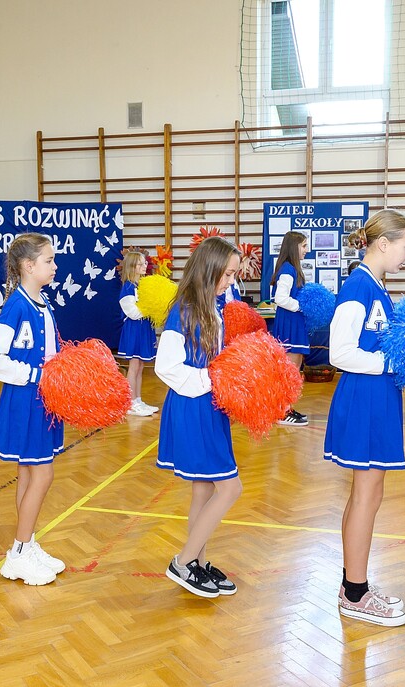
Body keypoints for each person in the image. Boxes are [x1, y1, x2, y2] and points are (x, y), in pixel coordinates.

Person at [324, 209, 405, 627]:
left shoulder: (377, 286)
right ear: (383, 243)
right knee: (366, 495)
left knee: (370, 493)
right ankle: (355, 593)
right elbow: (339, 352)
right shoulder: (358, 287)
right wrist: (390, 362)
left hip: (378, 398)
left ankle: (354, 584)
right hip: (364, 399)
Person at [156, 236, 243, 599]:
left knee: (204, 489)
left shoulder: (211, 306)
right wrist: (214, 379)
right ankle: (183, 561)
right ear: (209, 270)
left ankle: (198, 563)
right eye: (228, 274)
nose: (231, 281)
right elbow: (165, 367)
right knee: (231, 488)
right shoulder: (185, 310)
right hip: (194, 407)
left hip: (210, 406)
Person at [0, 233, 66, 586]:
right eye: (49, 260)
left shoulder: (40, 301)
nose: (55, 265)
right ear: (28, 266)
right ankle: (16, 554)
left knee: (29, 475)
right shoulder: (17, 305)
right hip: (26, 401)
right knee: (43, 475)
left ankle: (27, 544)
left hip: (44, 400)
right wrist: (33, 375)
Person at [270, 231, 310, 427]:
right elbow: (280, 298)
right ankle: (282, 411)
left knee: (294, 368)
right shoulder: (287, 270)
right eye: (304, 246)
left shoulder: (292, 268)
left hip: (294, 322)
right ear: (294, 247)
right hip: (289, 322)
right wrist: (302, 306)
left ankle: (286, 408)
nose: (306, 250)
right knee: (289, 369)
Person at [117, 251, 158, 417]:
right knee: (134, 367)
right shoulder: (127, 287)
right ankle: (131, 403)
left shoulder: (139, 286)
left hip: (143, 330)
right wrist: (150, 306)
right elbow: (132, 313)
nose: (144, 266)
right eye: (140, 264)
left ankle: (138, 400)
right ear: (132, 266)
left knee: (140, 366)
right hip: (134, 331)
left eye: (144, 263)